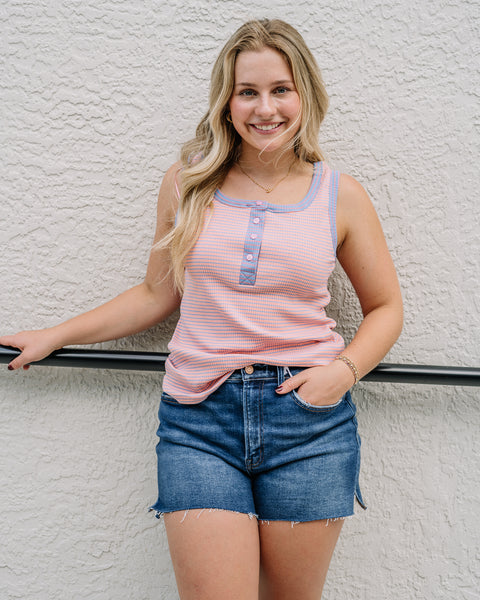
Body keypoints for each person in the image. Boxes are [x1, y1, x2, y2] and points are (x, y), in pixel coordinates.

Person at [1, 18, 403, 600]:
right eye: (248, 92)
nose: (265, 108)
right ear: (227, 100)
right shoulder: (187, 184)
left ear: (305, 95)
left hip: (308, 423)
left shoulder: (340, 195)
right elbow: (156, 295)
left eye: (280, 89)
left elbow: (386, 307)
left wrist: (340, 375)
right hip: (199, 419)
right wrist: (54, 335)